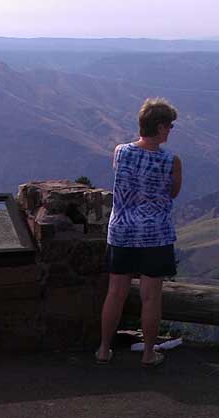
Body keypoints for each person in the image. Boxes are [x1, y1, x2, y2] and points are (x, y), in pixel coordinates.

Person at [96, 97, 182, 367]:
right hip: (155, 235)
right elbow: (173, 192)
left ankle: (103, 349)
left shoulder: (121, 151)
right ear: (159, 126)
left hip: (121, 231)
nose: (170, 130)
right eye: (169, 125)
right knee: (151, 296)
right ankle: (147, 354)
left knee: (115, 293)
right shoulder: (171, 161)